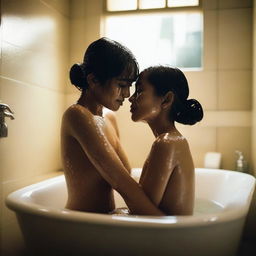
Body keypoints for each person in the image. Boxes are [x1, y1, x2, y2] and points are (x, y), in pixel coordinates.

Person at [61, 37, 163, 215]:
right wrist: (162, 223)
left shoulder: (109, 118)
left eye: (130, 85)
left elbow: (125, 179)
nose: (127, 94)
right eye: (122, 85)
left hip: (104, 220)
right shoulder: (77, 115)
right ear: (93, 80)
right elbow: (120, 182)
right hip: (80, 224)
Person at [129, 66, 203, 215]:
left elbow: (142, 212)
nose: (131, 98)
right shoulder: (172, 140)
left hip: (170, 237)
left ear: (166, 99)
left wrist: (116, 178)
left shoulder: (166, 143)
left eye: (139, 90)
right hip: (171, 235)